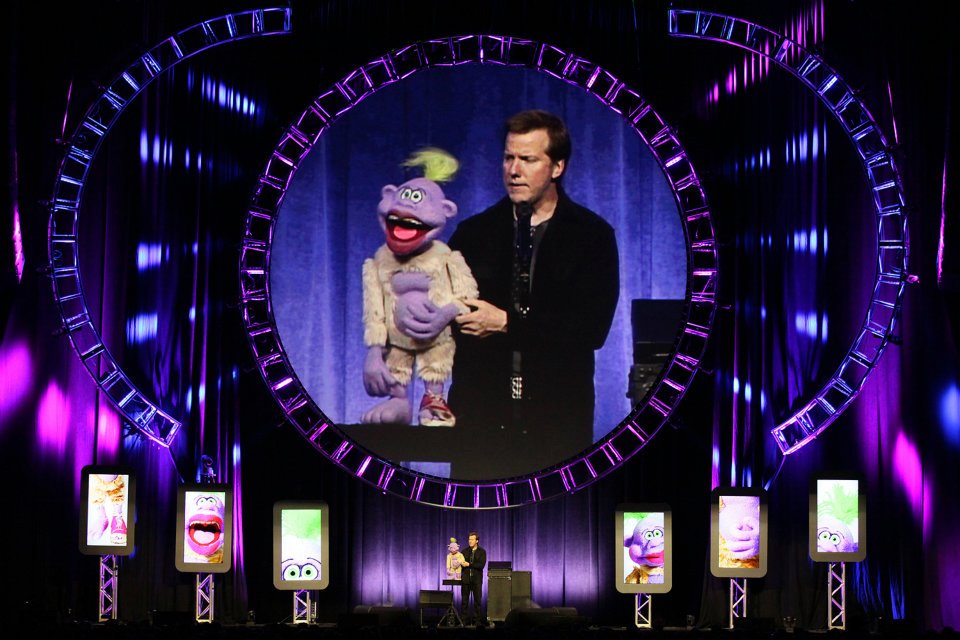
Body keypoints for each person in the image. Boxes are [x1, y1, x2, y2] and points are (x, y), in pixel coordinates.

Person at [448, 110, 619, 477]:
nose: (514, 170)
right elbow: (447, 318)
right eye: (508, 157)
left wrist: (508, 323)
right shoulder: (473, 234)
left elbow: (591, 329)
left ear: (557, 167)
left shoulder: (591, 236)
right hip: (480, 422)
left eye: (527, 159)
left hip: (557, 422)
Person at [460, 531, 487, 626]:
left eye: (472, 539)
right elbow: (461, 563)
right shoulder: (464, 551)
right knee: (464, 602)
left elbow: (481, 565)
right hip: (466, 580)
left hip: (477, 580)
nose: (470, 541)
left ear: (477, 541)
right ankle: (464, 620)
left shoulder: (482, 552)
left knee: (477, 602)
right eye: (469, 539)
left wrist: (469, 564)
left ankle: (477, 621)